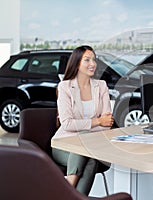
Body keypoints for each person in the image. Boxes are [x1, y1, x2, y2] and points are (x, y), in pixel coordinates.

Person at [52, 45, 114, 195]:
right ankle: (68, 191)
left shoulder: (101, 86)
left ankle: (66, 193)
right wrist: (97, 121)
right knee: (85, 142)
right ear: (77, 63)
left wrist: (81, 126)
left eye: (94, 60)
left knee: (90, 157)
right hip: (63, 145)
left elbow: (108, 124)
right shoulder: (65, 87)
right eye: (87, 60)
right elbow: (66, 123)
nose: (92, 64)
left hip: (91, 147)